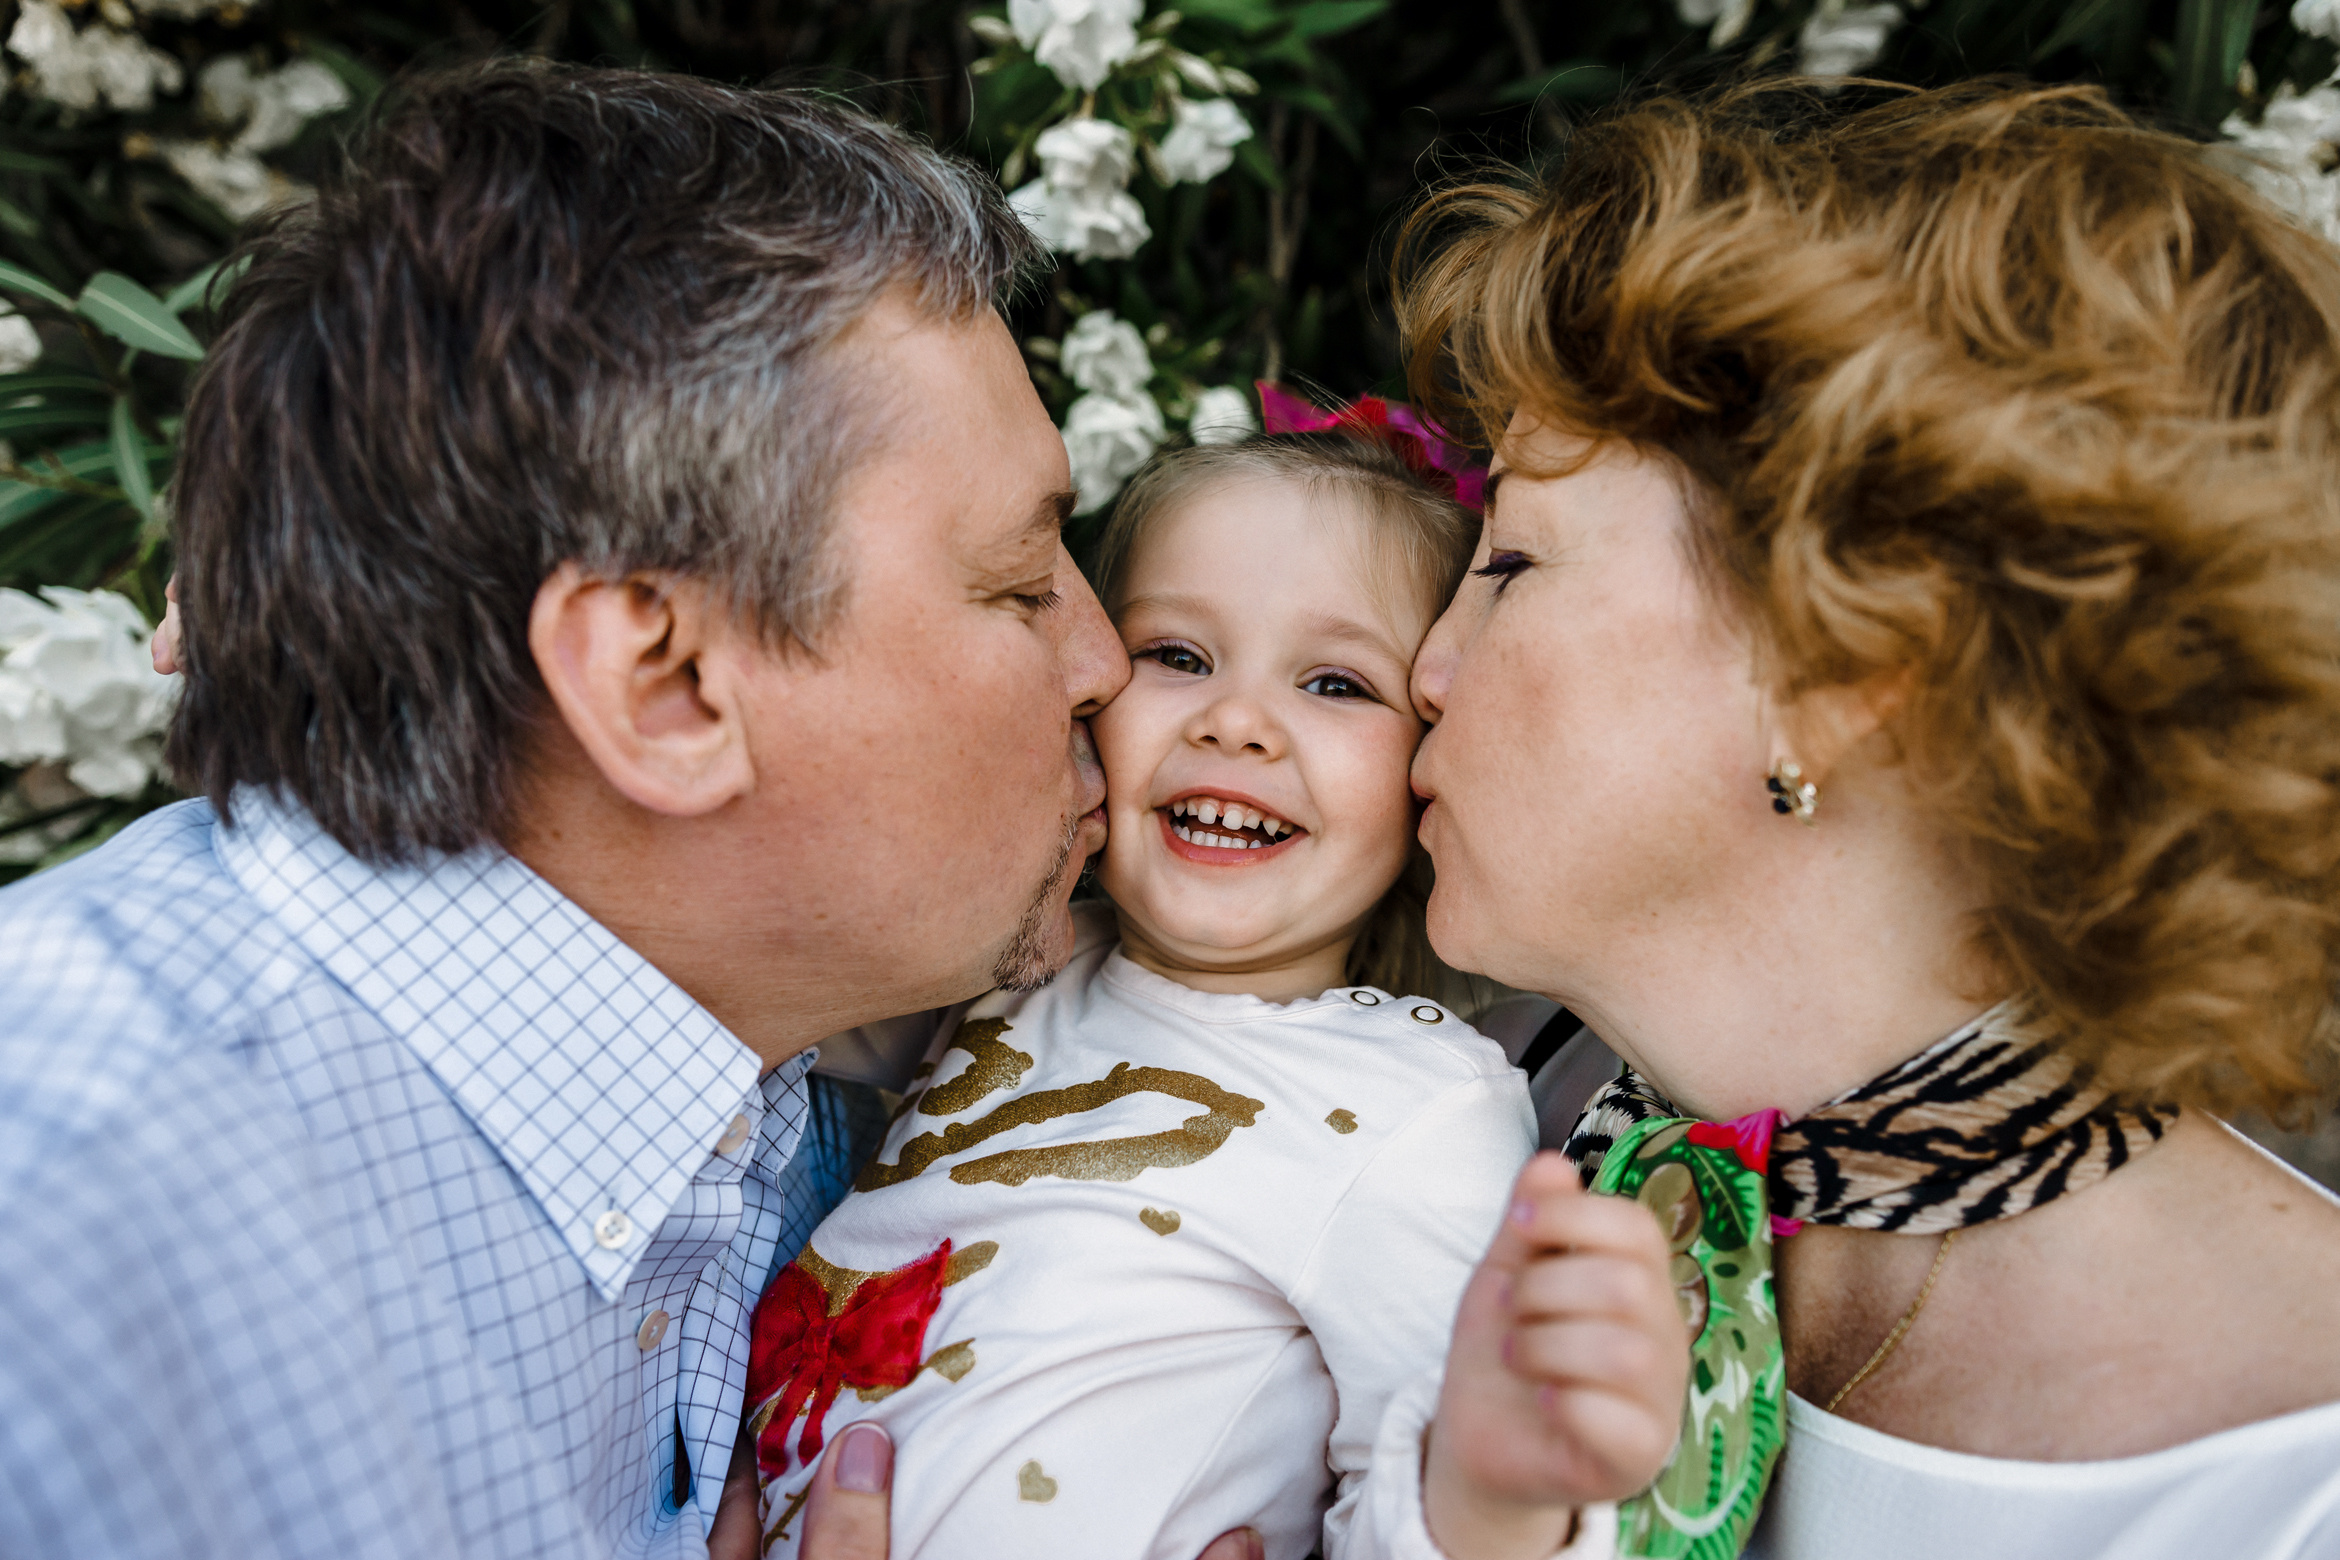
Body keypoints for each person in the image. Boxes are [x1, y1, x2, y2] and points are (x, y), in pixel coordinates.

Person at [0, 62, 1127, 1559]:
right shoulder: (59, 1233)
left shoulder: (742, 1057)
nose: (1108, 661)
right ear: (661, 686)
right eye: (1017, 582)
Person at [1394, 79, 2340, 1557]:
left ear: (1841, 664)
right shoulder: (1461, 1148)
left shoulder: (2297, 1491)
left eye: (1509, 559)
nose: (1425, 666)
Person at [740, 431, 1687, 1560]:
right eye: (1178, 655)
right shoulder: (1009, 959)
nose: (1234, 720)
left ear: (1427, 770)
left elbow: (1428, 1479)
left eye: (1336, 683)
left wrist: (1494, 1497)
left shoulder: (1412, 1110)